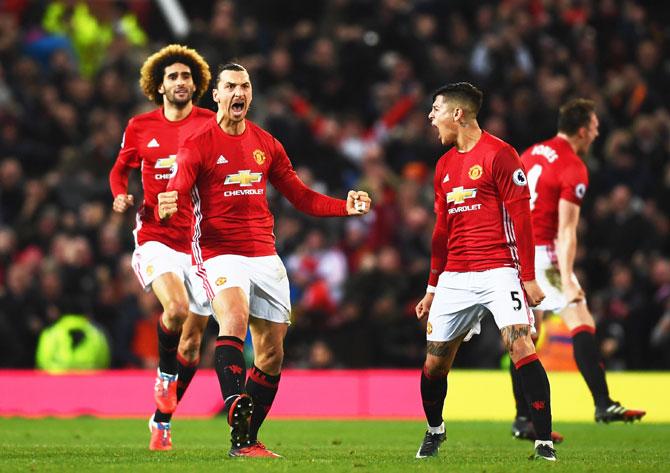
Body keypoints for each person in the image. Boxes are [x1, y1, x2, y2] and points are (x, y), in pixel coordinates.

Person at [157, 63, 371, 458]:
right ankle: (234, 399)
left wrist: (346, 208)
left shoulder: (266, 144)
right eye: (230, 87)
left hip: (264, 254)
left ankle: (245, 441)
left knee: (272, 353)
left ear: (250, 95)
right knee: (234, 318)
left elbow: (301, 196)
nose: (238, 93)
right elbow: (178, 188)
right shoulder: (197, 143)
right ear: (216, 96)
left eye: (245, 86)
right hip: (219, 252)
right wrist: (168, 202)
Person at [414, 82, 556, 461]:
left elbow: (522, 219)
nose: (431, 117)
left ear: (457, 114)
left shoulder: (501, 155)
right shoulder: (443, 166)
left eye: (436, 109)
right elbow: (441, 231)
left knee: (520, 343)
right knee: (435, 361)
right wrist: (431, 287)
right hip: (455, 277)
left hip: (499, 269)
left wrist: (528, 275)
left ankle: (543, 443)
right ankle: (434, 430)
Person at [509, 98, 645, 440]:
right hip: (544, 253)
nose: (598, 133)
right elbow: (567, 229)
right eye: (596, 127)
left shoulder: (531, 153)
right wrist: (568, 278)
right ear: (582, 130)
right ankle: (603, 403)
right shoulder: (573, 166)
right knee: (580, 317)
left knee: (526, 336)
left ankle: (523, 418)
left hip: (516, 250)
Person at [108, 44, 215, 451]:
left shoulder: (211, 123)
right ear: (159, 84)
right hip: (157, 237)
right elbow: (119, 171)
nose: (180, 82)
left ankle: (162, 421)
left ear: (197, 84)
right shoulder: (139, 127)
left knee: (191, 344)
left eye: (187, 76)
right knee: (176, 310)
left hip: (203, 244)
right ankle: (165, 378)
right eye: (173, 76)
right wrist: (120, 195)